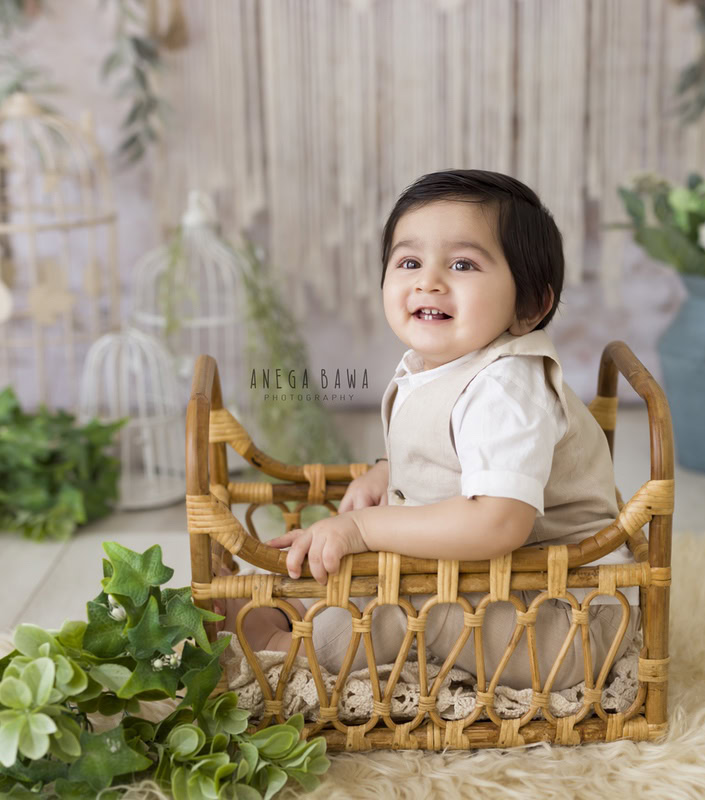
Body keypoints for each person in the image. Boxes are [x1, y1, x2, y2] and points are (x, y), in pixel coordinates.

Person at [217, 169, 638, 690]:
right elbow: (459, 454)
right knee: (376, 567)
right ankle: (299, 606)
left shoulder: (507, 387)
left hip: (559, 615)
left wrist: (361, 529)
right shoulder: (440, 363)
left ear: (529, 307)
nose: (428, 281)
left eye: (462, 264)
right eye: (410, 261)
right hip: (498, 580)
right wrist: (389, 471)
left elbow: (497, 524)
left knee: (403, 603)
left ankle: (290, 651)